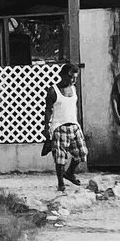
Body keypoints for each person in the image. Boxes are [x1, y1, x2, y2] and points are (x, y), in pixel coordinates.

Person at [42, 60, 89, 191]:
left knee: (82, 153)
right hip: (59, 126)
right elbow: (48, 110)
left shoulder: (74, 89)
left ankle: (69, 173)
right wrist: (46, 127)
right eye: (71, 77)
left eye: (75, 77)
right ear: (62, 75)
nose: (73, 80)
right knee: (60, 157)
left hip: (74, 125)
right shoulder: (53, 91)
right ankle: (61, 183)